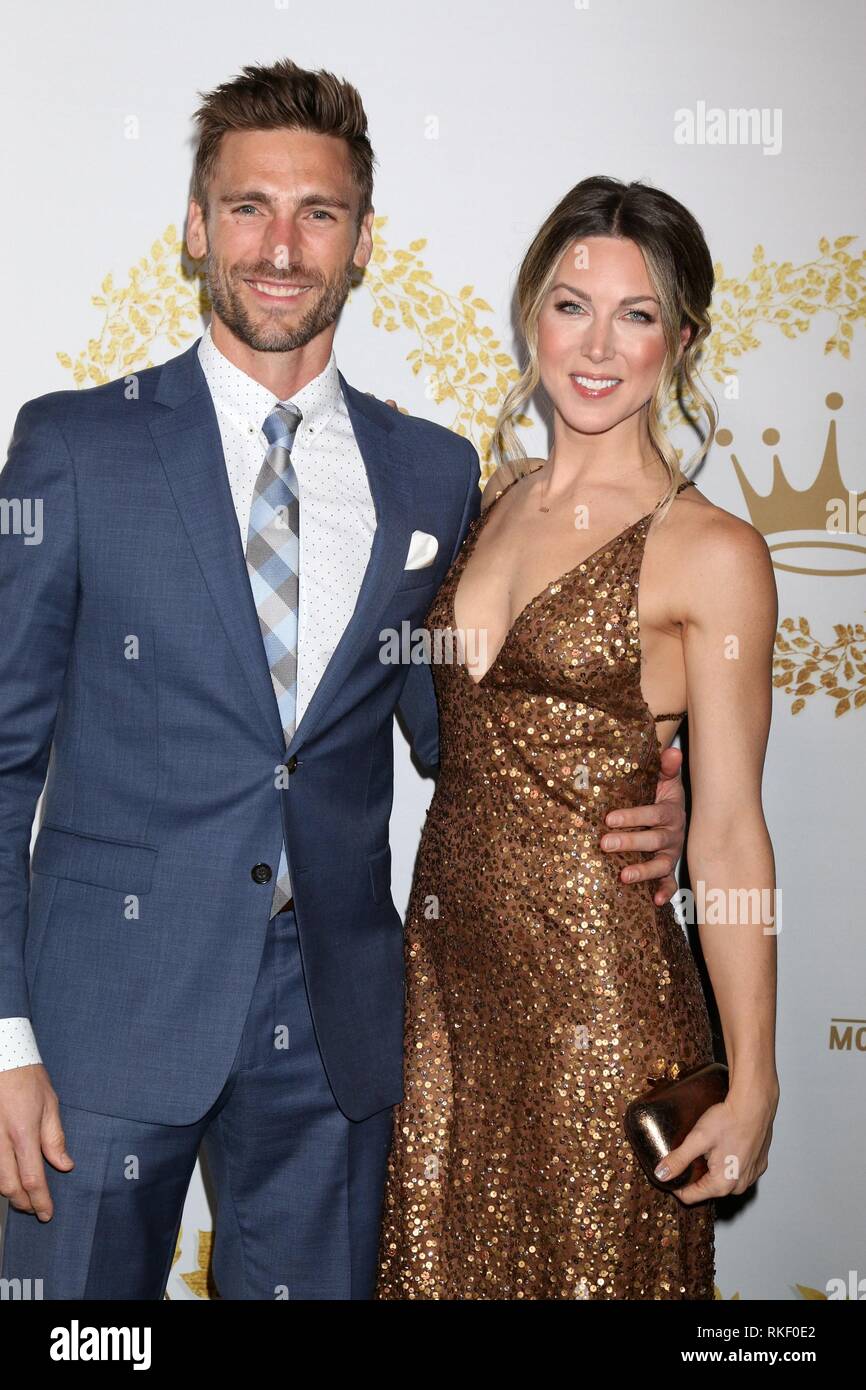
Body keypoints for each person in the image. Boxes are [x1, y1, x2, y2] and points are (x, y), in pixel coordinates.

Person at [0, 63, 688, 1299]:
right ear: (195, 227)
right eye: (247, 206)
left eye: (316, 212)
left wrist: (637, 792)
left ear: (361, 241)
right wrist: (3, 1038)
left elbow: (463, 729)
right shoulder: (73, 446)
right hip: (102, 1019)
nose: (279, 245)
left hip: (335, 1028)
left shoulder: (429, 473)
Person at [376, 176, 780, 1300]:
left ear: (681, 340)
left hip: (598, 1010)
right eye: (569, 305)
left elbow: (733, 836)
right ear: (529, 314)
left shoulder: (709, 551)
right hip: (446, 993)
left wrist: (752, 1082)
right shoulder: (486, 495)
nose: (595, 345)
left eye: (636, 314)